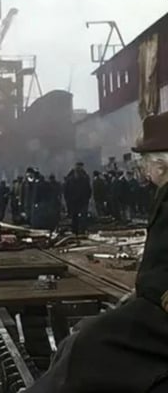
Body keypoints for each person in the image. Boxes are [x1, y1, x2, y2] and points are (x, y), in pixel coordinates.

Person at [26, 113, 168, 392]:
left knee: (87, 343)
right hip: (155, 304)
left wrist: (145, 295)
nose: (144, 173)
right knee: (84, 338)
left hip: (160, 315)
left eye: (145, 165)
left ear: (160, 166)